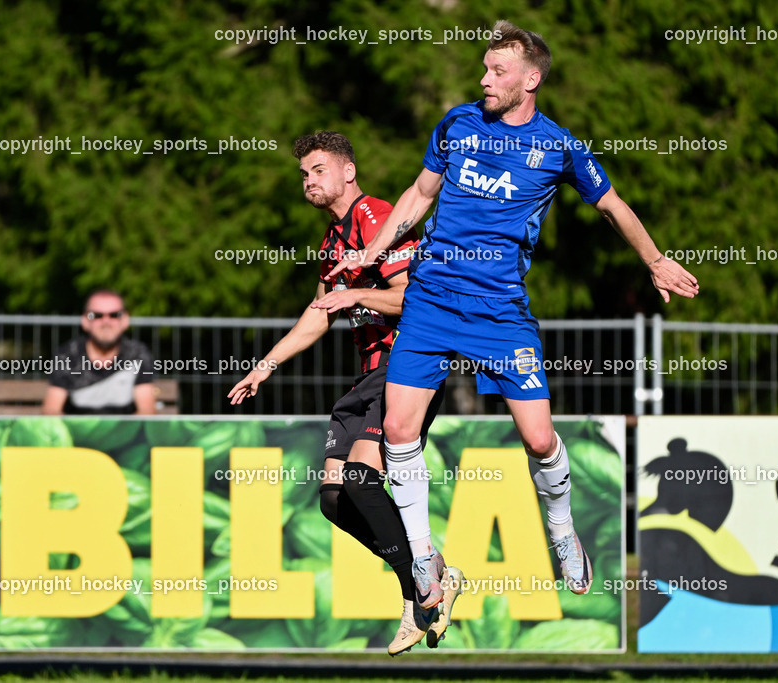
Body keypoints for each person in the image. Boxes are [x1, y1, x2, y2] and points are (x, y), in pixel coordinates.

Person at [330, 21, 700, 609]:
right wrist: (374, 254)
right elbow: (421, 194)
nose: (484, 80)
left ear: (531, 79)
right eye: (483, 69)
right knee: (399, 430)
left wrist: (654, 261)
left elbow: (612, 205)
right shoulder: (457, 123)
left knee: (539, 437)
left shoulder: (557, 145)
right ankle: (423, 562)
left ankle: (562, 531)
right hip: (430, 300)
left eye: (497, 71)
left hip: (499, 311)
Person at [227, 131, 461, 656]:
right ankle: (430, 576)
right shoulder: (333, 241)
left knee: (359, 479)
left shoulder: (378, 217)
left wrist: (354, 290)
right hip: (369, 374)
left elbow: (413, 300)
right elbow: (318, 315)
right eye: (304, 173)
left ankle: (422, 592)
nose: (308, 180)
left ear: (348, 171)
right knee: (334, 499)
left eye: (317, 169)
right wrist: (265, 366)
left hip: (407, 366)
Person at [43, 290, 157, 415]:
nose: (106, 321)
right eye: (97, 315)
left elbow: (147, 411)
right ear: (85, 321)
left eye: (114, 315)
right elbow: (51, 411)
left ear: (125, 320)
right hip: (77, 433)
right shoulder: (67, 355)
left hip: (126, 433)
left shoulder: (137, 354)